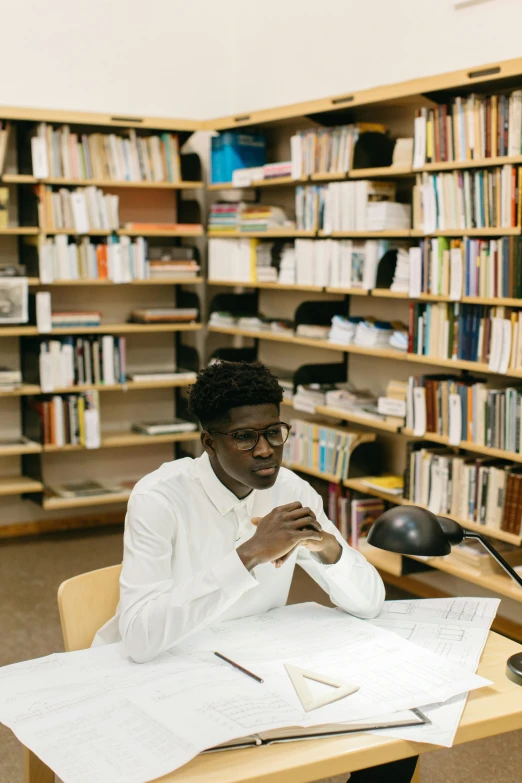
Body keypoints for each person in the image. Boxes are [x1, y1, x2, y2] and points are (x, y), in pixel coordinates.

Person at [93, 361, 417, 783]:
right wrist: (249, 554)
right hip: (164, 671)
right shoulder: (159, 499)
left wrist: (326, 546)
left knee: (396, 730)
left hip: (254, 665)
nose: (265, 450)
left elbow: (371, 603)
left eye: (273, 432)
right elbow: (139, 638)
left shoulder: (292, 491)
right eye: (245, 437)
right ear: (210, 442)